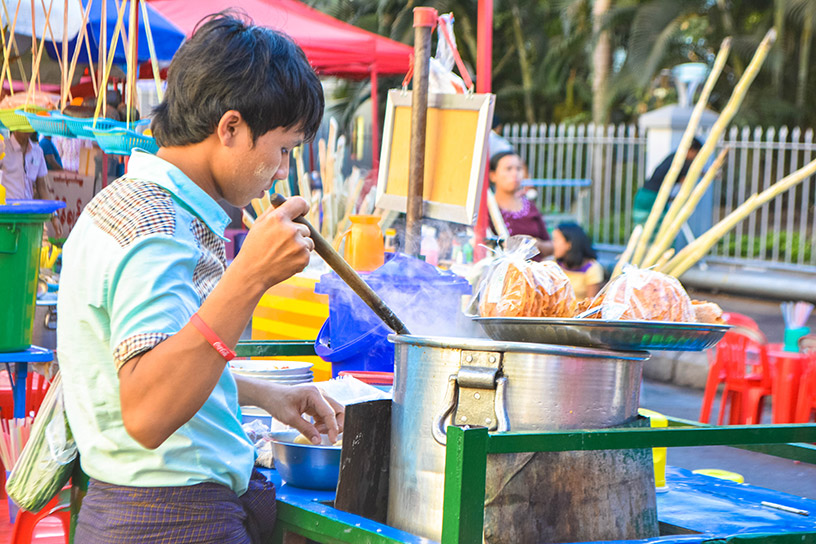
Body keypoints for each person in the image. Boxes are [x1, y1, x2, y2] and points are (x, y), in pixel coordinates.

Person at [57, 12, 342, 543]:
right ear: (230, 127)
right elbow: (147, 410)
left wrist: (259, 394)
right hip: (171, 520)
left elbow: (157, 360)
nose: (281, 171)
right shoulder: (157, 226)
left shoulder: (122, 204)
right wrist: (249, 276)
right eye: (282, 149)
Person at [489, 150, 553, 259]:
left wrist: (536, 244)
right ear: (493, 175)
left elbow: (551, 246)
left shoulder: (530, 207)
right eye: (508, 169)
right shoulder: (489, 209)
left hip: (532, 272)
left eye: (518, 169)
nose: (515, 174)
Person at [0, 130, 63, 236]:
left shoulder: (37, 151)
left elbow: (42, 187)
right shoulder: (3, 147)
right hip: (6, 216)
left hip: (29, 216)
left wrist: (54, 216)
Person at [632, 137, 702, 226]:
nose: (696, 158)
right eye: (696, 154)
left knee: (640, 230)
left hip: (643, 195)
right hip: (655, 199)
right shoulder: (685, 162)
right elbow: (685, 189)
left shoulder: (674, 156)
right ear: (691, 150)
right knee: (659, 232)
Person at [552, 222, 604, 299]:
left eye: (556, 240)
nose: (553, 244)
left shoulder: (592, 269)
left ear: (569, 244)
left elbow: (590, 305)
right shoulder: (554, 265)